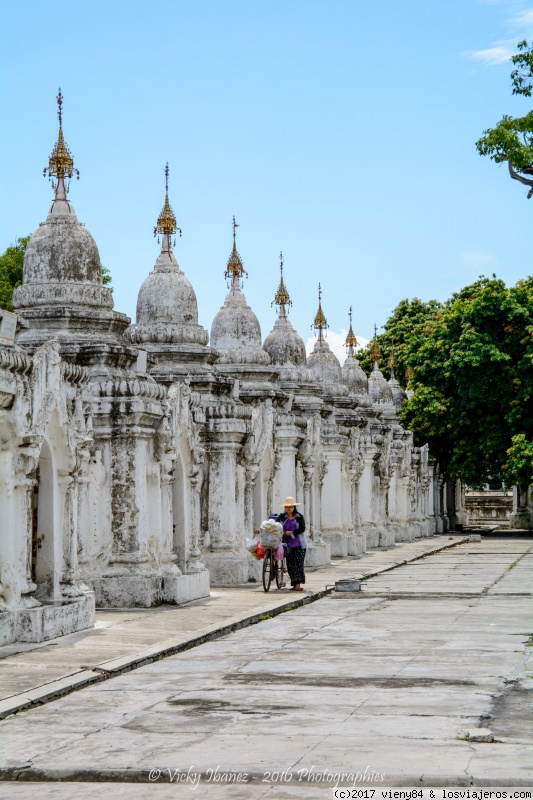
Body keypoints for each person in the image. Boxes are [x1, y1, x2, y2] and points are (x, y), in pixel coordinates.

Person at [276, 496, 306, 591]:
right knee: (290, 564)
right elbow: (276, 525)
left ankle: (298, 585)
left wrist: (292, 533)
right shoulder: (282, 516)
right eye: (287, 507)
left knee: (298, 564)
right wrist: (284, 533)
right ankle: (294, 584)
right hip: (287, 544)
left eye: (290, 507)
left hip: (299, 545)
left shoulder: (299, 517)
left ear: (294, 507)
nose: (288, 509)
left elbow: (302, 528)